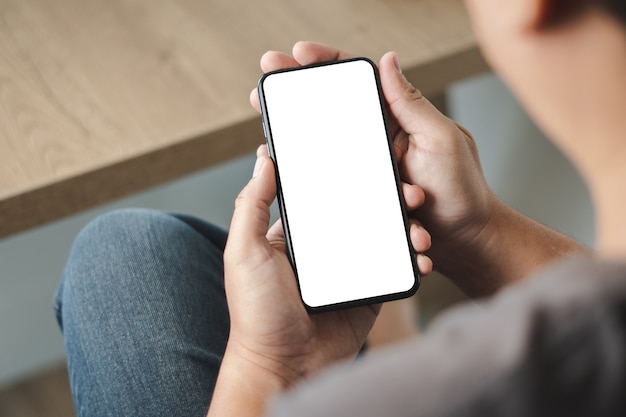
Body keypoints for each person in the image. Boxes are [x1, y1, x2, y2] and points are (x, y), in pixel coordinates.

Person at [54, 0, 626, 415]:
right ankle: (398, 333)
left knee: (120, 258)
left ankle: (396, 336)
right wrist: (475, 230)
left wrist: (271, 366)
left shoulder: (434, 394)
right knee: (126, 248)